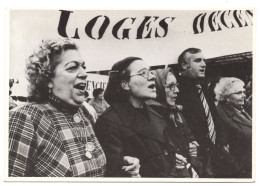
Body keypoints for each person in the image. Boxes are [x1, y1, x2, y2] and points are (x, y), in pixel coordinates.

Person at [9, 38, 140, 177]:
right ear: (47, 79)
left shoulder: (86, 113)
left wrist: (121, 165)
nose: (84, 73)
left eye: (83, 66)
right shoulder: (25, 118)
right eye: (72, 67)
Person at [95, 57, 188, 177]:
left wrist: (172, 157)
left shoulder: (155, 114)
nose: (152, 76)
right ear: (125, 84)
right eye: (143, 73)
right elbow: (113, 171)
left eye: (150, 72)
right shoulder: (109, 122)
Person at [146, 68, 203, 177]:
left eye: (176, 85)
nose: (176, 90)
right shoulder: (149, 116)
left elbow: (189, 136)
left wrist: (192, 144)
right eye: (170, 86)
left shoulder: (175, 112)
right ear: (157, 88)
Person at [176, 48, 220, 177]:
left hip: (214, 151)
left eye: (204, 60)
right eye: (198, 60)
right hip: (197, 156)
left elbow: (214, 116)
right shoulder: (178, 91)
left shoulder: (202, 87)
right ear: (184, 65)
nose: (204, 64)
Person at [214, 77, 252, 178]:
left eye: (243, 91)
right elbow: (222, 147)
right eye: (238, 93)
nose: (244, 95)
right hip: (242, 172)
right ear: (226, 96)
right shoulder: (220, 114)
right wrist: (239, 170)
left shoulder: (242, 109)